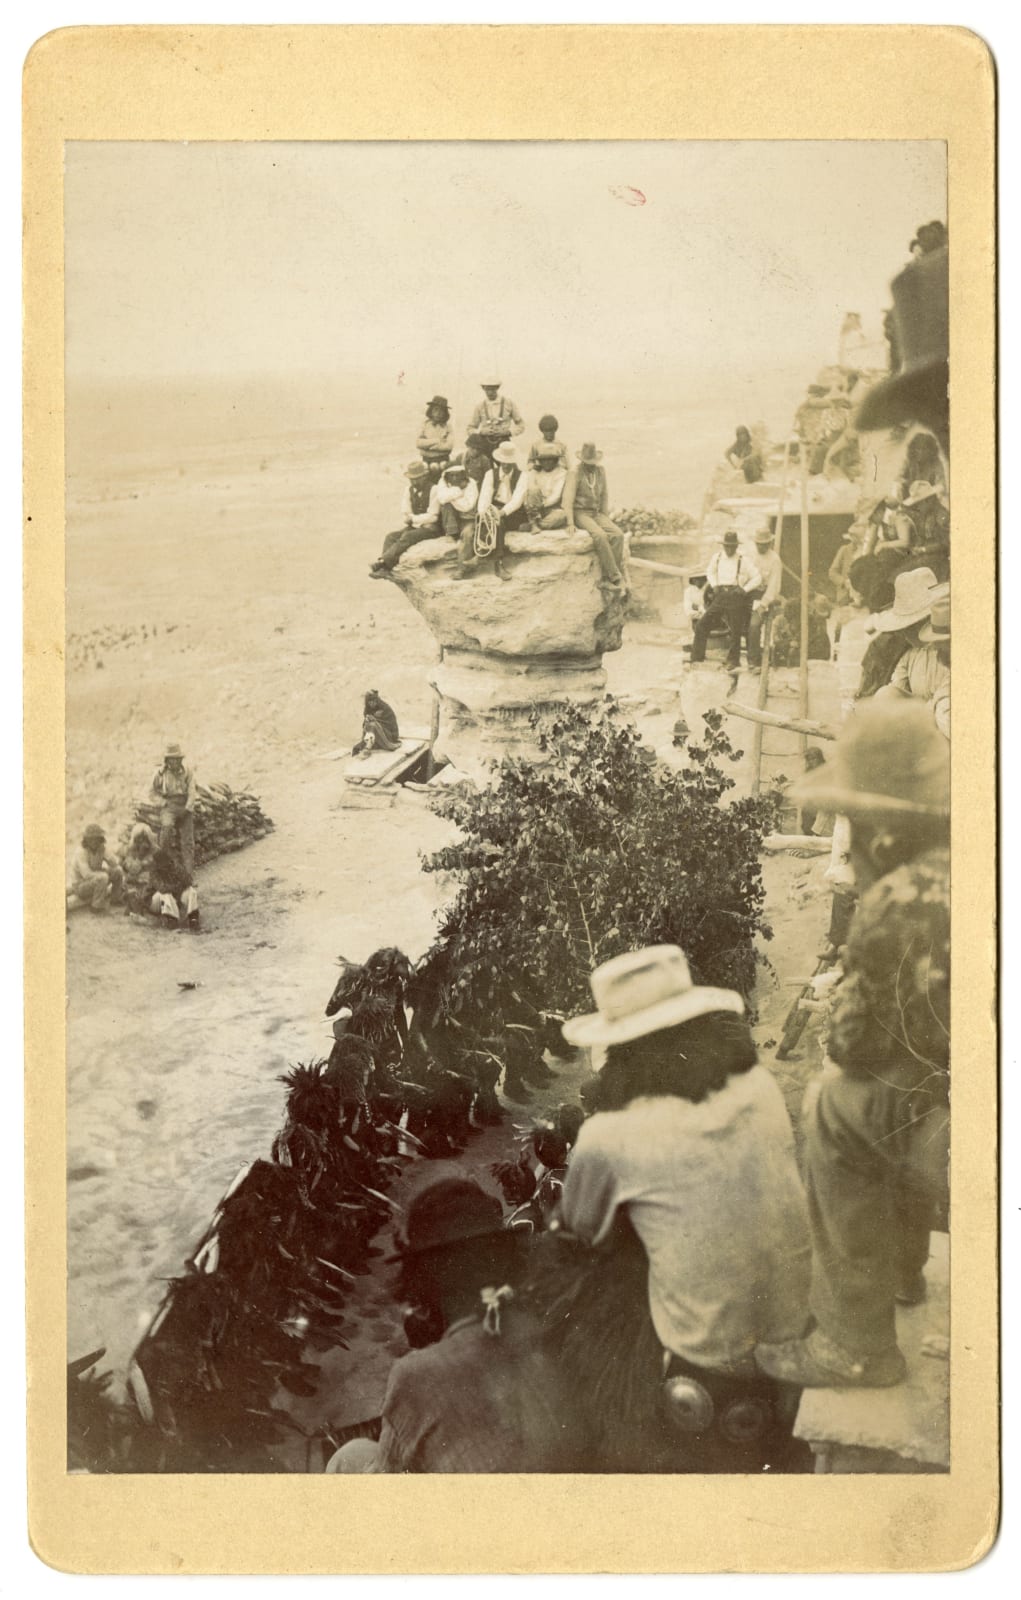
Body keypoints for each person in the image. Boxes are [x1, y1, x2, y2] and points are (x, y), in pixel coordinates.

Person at [555, 945, 811, 1471]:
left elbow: (580, 1230)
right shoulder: (759, 1086)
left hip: (710, 1365)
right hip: (800, 1325)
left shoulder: (609, 1135)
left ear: (616, 1048)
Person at [756, 702, 949, 1388]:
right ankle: (903, 1270)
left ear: (886, 830)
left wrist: (841, 997)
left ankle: (853, 1341)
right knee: (918, 1081)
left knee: (840, 1105)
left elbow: (852, 1045)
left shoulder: (903, 897)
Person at [326, 1176, 575, 1473]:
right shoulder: (539, 1327)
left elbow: (388, 1475)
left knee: (349, 1456)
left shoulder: (415, 1375)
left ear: (428, 1276)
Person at [876, 593, 950, 732]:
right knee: (885, 693)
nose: (904, 634)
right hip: (922, 720)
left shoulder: (947, 656)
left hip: (943, 720)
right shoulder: (910, 655)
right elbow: (893, 691)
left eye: (908, 627)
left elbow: (943, 702)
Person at [689, 531, 761, 670]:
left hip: (736, 596)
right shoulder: (717, 557)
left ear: (736, 546)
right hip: (720, 595)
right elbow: (710, 572)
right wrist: (715, 584)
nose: (729, 549)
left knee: (735, 630)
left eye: (732, 546)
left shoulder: (743, 560)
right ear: (723, 546)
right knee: (702, 625)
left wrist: (744, 589)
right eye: (727, 546)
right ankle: (697, 657)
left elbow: (757, 577)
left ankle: (733, 661)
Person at [562, 443, 628, 594]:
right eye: (588, 463)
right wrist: (570, 522)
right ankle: (615, 576)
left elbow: (604, 495)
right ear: (582, 461)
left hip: (596, 513)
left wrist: (605, 517)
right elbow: (568, 499)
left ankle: (607, 578)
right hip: (580, 513)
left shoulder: (600, 471)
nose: (592, 466)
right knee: (600, 535)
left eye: (593, 463)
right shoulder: (575, 473)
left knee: (617, 534)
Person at [370, 460, 442, 576]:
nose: (414, 481)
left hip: (432, 528)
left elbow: (433, 516)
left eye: (417, 478)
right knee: (391, 536)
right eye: (412, 479)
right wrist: (414, 519)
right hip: (417, 525)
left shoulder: (434, 489)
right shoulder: (408, 490)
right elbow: (406, 510)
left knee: (408, 536)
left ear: (424, 477)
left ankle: (383, 563)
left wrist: (413, 519)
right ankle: (385, 568)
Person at [477, 442, 527, 581]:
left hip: (513, 512)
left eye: (509, 462)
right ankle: (479, 556)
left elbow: (517, 501)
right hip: (494, 508)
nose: (505, 465)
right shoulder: (490, 474)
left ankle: (496, 562)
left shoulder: (522, 476)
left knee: (499, 522)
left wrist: (501, 513)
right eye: (502, 462)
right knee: (491, 521)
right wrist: (484, 514)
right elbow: (484, 497)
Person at [150, 743, 196, 884]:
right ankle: (165, 873)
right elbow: (151, 793)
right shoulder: (160, 774)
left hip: (184, 805)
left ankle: (188, 877)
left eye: (177, 759)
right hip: (169, 806)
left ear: (181, 759)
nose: (174, 762)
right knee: (167, 830)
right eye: (171, 759)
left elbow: (192, 792)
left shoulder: (187, 771)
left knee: (187, 842)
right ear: (167, 760)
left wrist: (187, 809)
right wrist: (163, 803)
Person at [745, 527, 783, 671]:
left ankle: (754, 661)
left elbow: (774, 586)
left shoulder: (775, 560)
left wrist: (764, 604)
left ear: (769, 544)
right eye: (758, 543)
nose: (760, 546)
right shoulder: (750, 555)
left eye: (764, 544)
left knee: (754, 624)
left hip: (762, 595)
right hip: (748, 593)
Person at [67, 823, 124, 912]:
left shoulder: (100, 848)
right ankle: (96, 906)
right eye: (91, 839)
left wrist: (107, 853)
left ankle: (115, 898)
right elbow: (86, 874)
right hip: (80, 885)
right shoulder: (81, 851)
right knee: (103, 877)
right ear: (86, 839)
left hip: (94, 880)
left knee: (118, 871)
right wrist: (103, 874)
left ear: (100, 839)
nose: (94, 841)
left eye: (96, 838)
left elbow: (114, 863)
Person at [467, 377, 524, 457]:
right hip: (485, 443)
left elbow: (521, 425)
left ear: (497, 388)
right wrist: (481, 432)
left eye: (492, 389)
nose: (490, 393)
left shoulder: (509, 403)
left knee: (507, 465)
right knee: (485, 467)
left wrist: (508, 432)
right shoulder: (479, 406)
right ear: (483, 389)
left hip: (504, 442)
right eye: (487, 389)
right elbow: (470, 429)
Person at [521, 446, 570, 532]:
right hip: (534, 507)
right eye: (543, 460)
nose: (546, 462)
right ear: (540, 461)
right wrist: (535, 506)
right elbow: (530, 489)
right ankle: (534, 523)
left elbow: (556, 496)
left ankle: (536, 525)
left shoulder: (562, 473)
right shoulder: (535, 472)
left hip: (550, 507)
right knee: (533, 490)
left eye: (550, 459)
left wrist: (542, 505)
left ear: (555, 460)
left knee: (562, 515)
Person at [353, 690, 401, 756]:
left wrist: (375, 719)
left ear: (377, 700)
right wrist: (367, 720)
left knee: (373, 725)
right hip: (375, 735)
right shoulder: (367, 709)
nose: (372, 703)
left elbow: (390, 725)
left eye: (374, 701)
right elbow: (365, 724)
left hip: (389, 736)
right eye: (370, 702)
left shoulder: (384, 708)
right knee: (369, 724)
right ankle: (369, 744)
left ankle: (368, 748)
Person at [416, 395, 453, 471]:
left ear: (445, 413)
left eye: (441, 411)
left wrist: (429, 446)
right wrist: (437, 441)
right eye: (436, 410)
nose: (438, 413)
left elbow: (449, 446)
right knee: (424, 470)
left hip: (443, 459)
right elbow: (419, 443)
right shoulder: (425, 425)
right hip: (427, 460)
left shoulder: (448, 427)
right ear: (431, 411)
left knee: (443, 469)